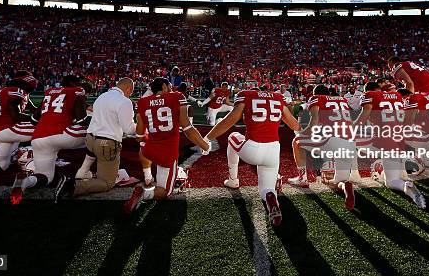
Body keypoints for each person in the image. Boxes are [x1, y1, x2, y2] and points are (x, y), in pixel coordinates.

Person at [204, 88, 302, 226]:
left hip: (252, 148)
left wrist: (207, 138)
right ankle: (271, 197)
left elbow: (229, 121)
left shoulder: (246, 96)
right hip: (273, 150)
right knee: (266, 189)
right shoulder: (278, 97)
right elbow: (294, 125)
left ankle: (233, 180)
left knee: (233, 137)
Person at [124, 77, 210, 213]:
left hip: (148, 150)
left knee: (143, 144)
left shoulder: (143, 101)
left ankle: (148, 177)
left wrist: (148, 139)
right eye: (169, 86)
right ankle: (144, 193)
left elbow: (139, 135)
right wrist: (205, 145)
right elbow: (187, 129)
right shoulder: (176, 97)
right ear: (164, 86)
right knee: (165, 192)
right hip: (167, 154)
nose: (171, 89)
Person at [9, 75, 91, 204]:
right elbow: (82, 120)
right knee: (99, 132)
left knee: (46, 177)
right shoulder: (77, 90)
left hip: (38, 138)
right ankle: (88, 169)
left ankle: (26, 182)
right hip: (62, 135)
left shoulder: (49, 92)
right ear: (73, 83)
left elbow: (34, 119)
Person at [54, 77, 136, 202]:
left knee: (87, 164)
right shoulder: (124, 101)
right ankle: (72, 185)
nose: (131, 94)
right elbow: (129, 129)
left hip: (90, 139)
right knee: (107, 182)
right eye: (131, 91)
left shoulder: (102, 96)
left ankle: (78, 178)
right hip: (106, 142)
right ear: (128, 88)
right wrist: (142, 125)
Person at [353, 81, 426, 209]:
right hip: (399, 136)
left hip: (385, 139)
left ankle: (406, 186)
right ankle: (402, 168)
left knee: (391, 181)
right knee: (394, 170)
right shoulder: (396, 95)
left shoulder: (370, 95)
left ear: (367, 91)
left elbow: (362, 118)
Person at [287, 84, 357, 210]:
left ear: (315, 94)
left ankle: (302, 178)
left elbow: (313, 123)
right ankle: (345, 185)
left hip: (332, 141)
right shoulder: (342, 100)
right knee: (337, 182)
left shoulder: (317, 99)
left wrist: (302, 133)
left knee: (297, 141)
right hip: (350, 144)